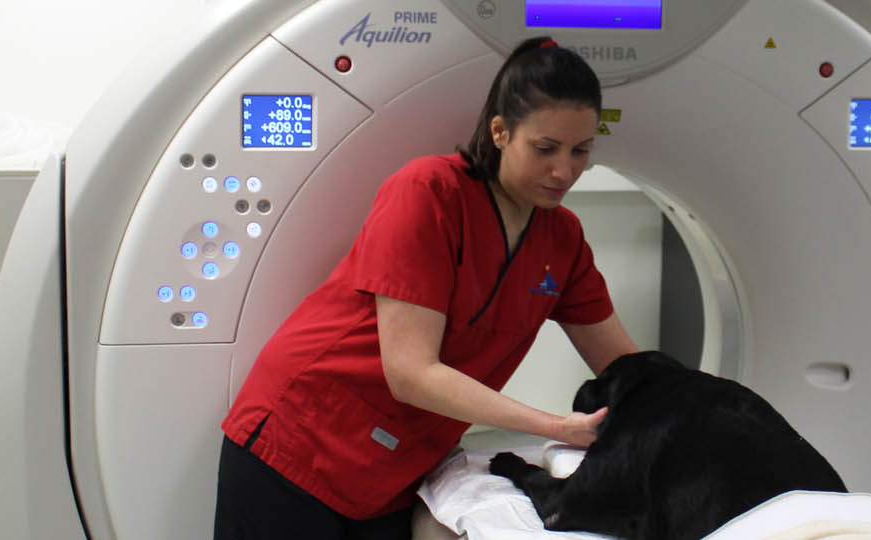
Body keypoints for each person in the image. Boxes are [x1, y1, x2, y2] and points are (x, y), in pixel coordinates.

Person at [213, 36, 639, 539]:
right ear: (500, 131)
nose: (565, 170)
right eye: (545, 149)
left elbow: (627, 370)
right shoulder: (429, 192)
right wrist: (554, 427)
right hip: (303, 441)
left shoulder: (562, 237)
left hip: (401, 467)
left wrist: (695, 415)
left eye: (581, 150)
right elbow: (411, 373)